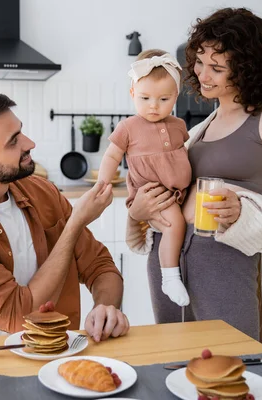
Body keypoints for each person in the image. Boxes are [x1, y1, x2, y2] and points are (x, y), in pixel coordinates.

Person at [125, 7, 262, 353]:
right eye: (200, 62)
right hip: (166, 266)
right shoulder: (201, 127)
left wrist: (245, 211)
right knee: (175, 366)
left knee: (234, 366)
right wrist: (137, 212)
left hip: (225, 269)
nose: (203, 74)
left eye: (217, 67)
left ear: (248, 69)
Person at [0, 89, 130, 342]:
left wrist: (105, 308)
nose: (29, 143)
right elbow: (18, 317)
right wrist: (75, 225)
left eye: (21, 131)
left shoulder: (43, 192)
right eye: (13, 140)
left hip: (61, 353)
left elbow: (100, 267)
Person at [97, 49, 192, 307]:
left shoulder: (179, 125)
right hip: (153, 194)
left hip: (176, 192)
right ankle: (169, 276)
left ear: (175, 97)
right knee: (175, 225)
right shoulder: (128, 127)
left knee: (181, 226)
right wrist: (103, 185)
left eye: (163, 98)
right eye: (145, 97)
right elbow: (111, 157)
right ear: (132, 94)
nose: (153, 105)